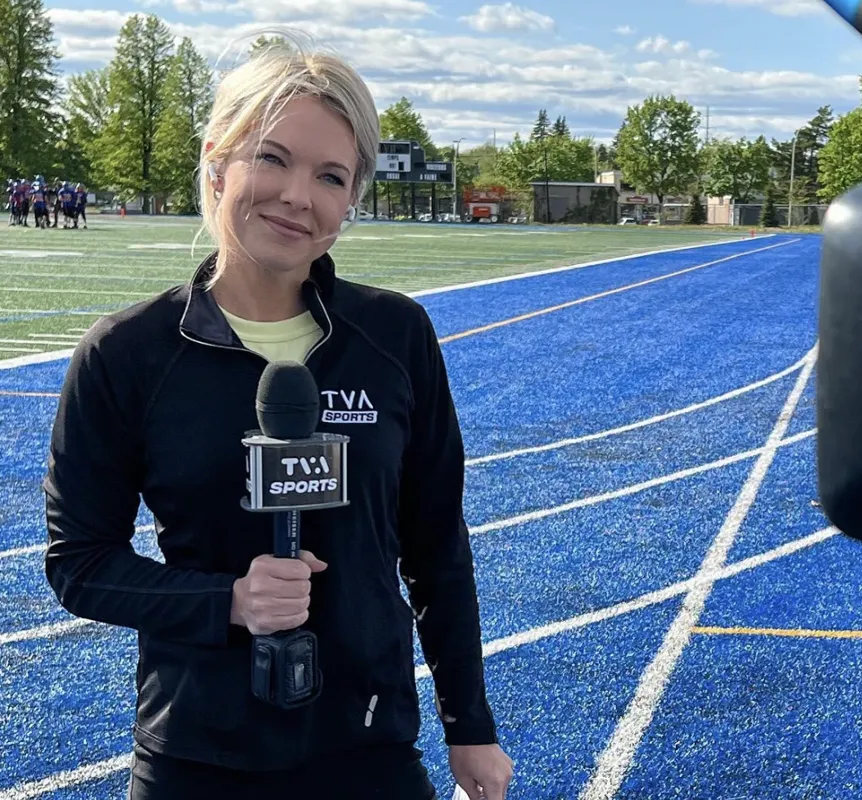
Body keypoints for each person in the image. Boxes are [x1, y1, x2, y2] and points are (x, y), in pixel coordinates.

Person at [42, 34, 514, 800]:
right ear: (217, 159)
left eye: (331, 175)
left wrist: (471, 726)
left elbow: (435, 547)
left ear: (349, 199)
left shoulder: (393, 338)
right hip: (198, 752)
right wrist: (226, 600)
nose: (299, 194)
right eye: (271, 157)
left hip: (369, 745)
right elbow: (79, 563)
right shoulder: (127, 353)